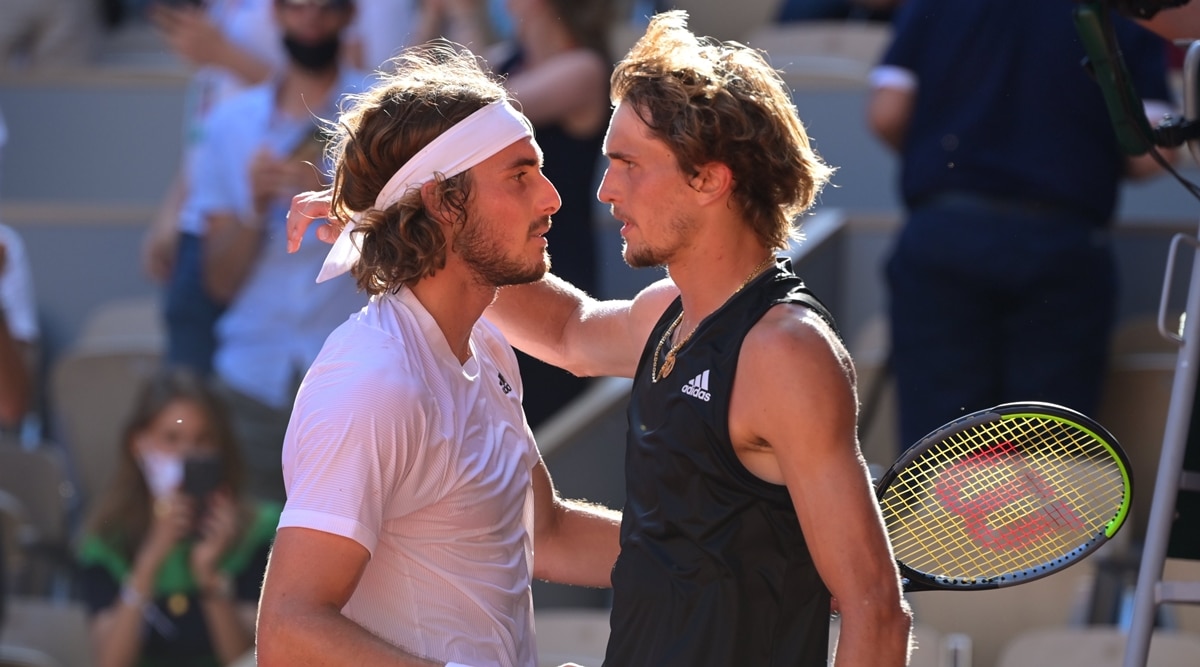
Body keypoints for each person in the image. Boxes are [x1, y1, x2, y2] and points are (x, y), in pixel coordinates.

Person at [288, 11, 913, 665]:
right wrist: (394, 212)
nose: (600, 190)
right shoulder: (667, 316)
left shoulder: (782, 350)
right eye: (523, 175)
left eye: (629, 164)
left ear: (709, 177)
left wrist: (417, 213)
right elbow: (566, 329)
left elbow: (877, 611)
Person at [256, 42, 621, 667]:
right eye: (520, 175)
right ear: (441, 201)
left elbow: (545, 534)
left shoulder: (486, 344)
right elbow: (288, 633)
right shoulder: (372, 382)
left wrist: (727, 560)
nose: (552, 197)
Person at [866, 0, 1176, 452]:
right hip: (1062, 242)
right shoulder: (1122, 9)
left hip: (946, 234)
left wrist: (946, 160)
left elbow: (887, 112)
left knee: (938, 451)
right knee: (1047, 456)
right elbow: (1151, 152)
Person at [194, 0, 368, 502]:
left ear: (348, 15)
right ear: (276, 13)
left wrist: (338, 198)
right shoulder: (230, 124)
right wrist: (252, 209)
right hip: (252, 372)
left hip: (352, 371)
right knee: (251, 557)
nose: (311, 20)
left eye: (326, 9)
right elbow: (218, 283)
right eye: (297, 7)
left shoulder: (380, 114)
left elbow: (409, 254)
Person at [76, 368, 281, 667]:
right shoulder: (107, 539)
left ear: (221, 447)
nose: (188, 456)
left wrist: (209, 575)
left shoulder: (260, 531)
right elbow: (110, 662)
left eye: (203, 440)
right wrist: (149, 561)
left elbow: (247, 661)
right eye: (171, 439)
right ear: (139, 444)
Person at [486, 0, 614, 429]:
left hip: (555, 268)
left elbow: (467, 116)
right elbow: (422, 88)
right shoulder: (507, 61)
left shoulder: (585, 68)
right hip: (496, 269)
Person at [142, 0, 286, 376]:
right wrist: (172, 210)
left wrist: (222, 53)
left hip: (269, 228)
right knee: (188, 400)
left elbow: (344, 96)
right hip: (200, 222)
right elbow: (209, 120)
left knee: (246, 405)